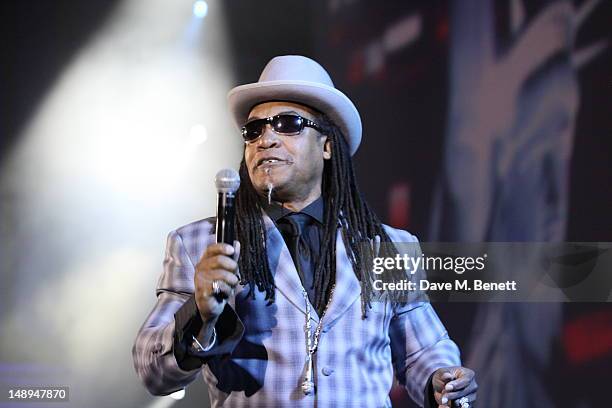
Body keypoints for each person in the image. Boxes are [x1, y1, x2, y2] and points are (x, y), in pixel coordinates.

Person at [132, 55, 477, 407]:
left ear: (327, 146)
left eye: (287, 123)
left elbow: (423, 352)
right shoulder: (198, 244)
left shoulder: (389, 248)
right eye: (254, 130)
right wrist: (198, 313)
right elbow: (151, 370)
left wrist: (441, 379)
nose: (265, 139)